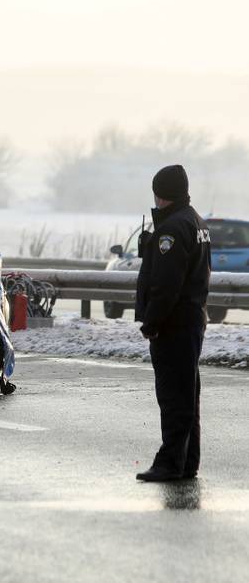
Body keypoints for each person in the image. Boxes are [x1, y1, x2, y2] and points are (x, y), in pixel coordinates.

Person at [135, 164, 210, 482]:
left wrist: (152, 321)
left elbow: (166, 285)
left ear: (160, 192)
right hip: (191, 320)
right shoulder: (196, 222)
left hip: (174, 325)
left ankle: (169, 462)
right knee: (187, 395)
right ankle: (186, 460)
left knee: (174, 396)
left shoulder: (172, 229)